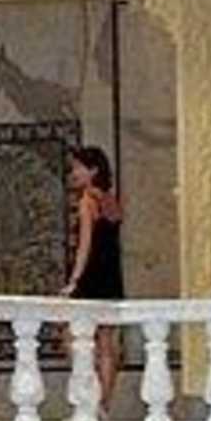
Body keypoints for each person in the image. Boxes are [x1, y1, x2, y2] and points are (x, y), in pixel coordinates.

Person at [58, 144, 125, 397]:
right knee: (106, 342)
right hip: (111, 275)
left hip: (92, 275)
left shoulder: (88, 200)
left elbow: (85, 244)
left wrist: (75, 280)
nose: (74, 173)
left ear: (93, 170)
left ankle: (90, 392)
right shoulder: (110, 200)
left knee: (71, 336)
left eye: (78, 168)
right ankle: (105, 401)